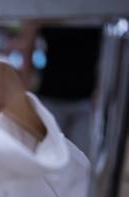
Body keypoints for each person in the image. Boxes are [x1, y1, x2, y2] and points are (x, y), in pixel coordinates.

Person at [20, 24, 101, 157]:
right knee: (49, 154)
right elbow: (28, 49)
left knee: (83, 156)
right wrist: (24, 89)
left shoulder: (95, 12)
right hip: (52, 95)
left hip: (86, 98)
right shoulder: (50, 10)